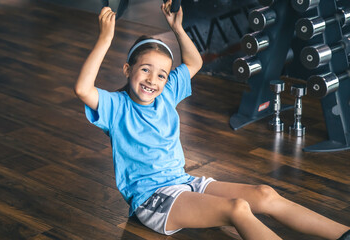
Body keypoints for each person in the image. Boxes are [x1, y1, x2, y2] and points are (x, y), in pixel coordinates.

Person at [74, 2, 350, 239]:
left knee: (265, 194)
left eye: (161, 74)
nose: (152, 80)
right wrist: (105, 40)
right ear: (127, 69)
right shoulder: (116, 106)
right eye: (145, 70)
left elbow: (193, 63)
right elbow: (83, 89)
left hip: (183, 181)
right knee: (237, 209)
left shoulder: (166, 94)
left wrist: (177, 29)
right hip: (152, 199)